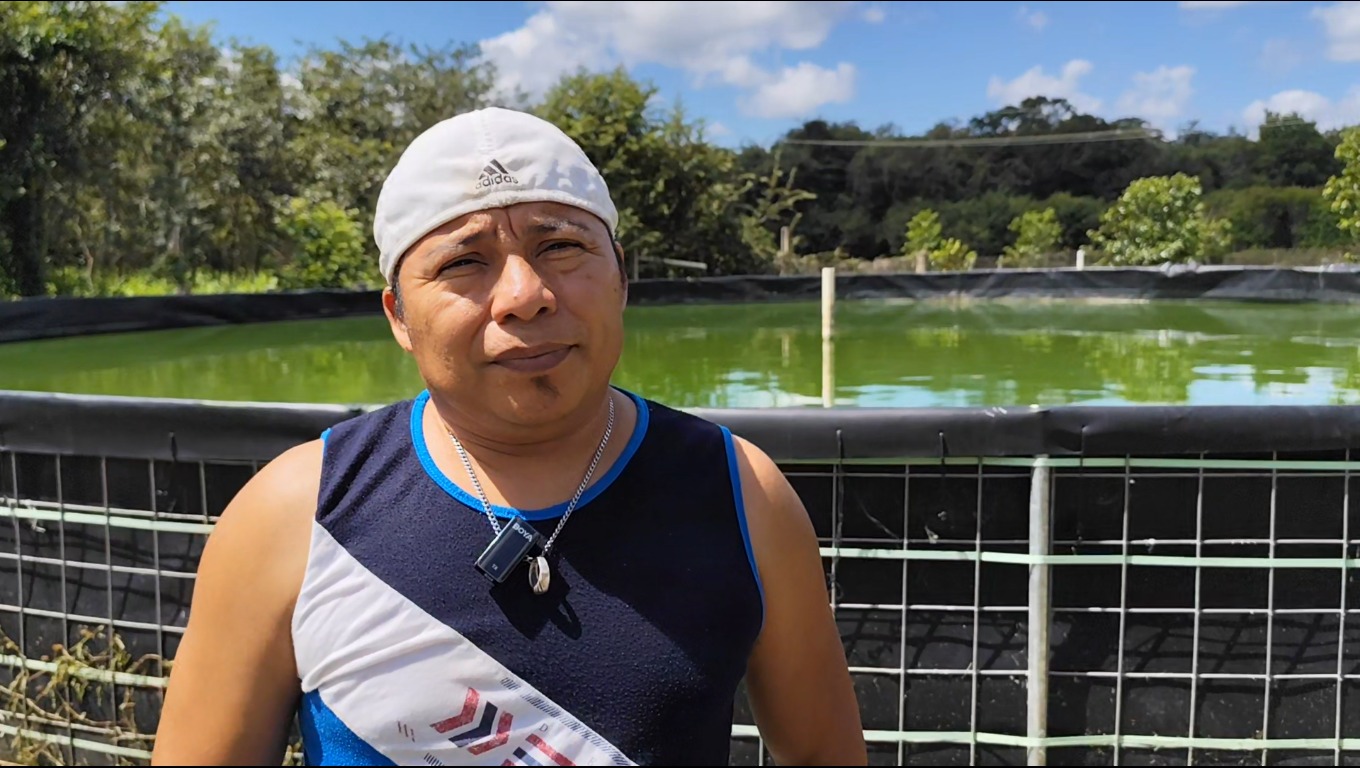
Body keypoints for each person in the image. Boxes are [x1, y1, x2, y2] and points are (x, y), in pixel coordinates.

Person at [152, 107, 866, 767]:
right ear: (399, 316)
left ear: (621, 277)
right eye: (463, 262)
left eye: (561, 246)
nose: (526, 295)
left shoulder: (741, 492)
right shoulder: (293, 512)